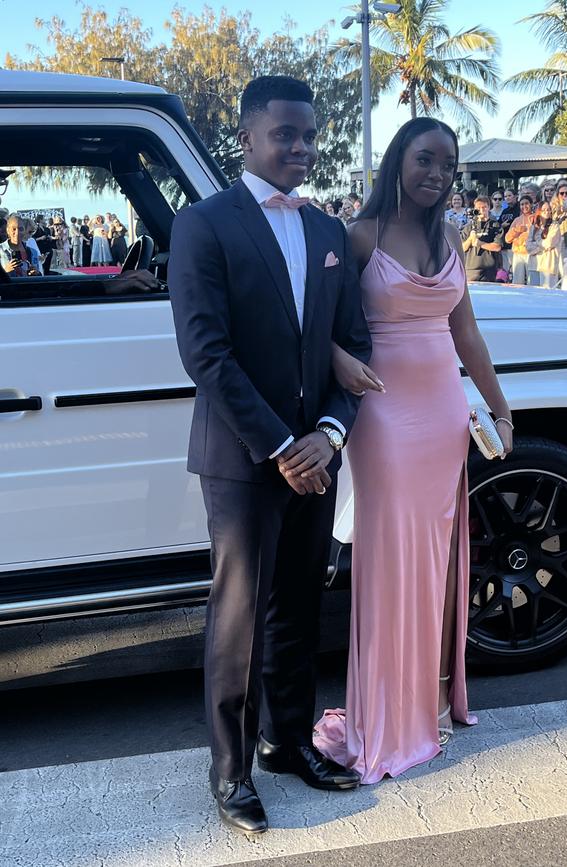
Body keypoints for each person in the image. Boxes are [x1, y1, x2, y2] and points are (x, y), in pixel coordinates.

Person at [168, 75, 371, 834]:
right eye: (286, 134)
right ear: (247, 138)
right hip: (244, 458)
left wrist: (331, 432)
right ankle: (229, 771)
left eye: (310, 135)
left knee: (299, 606)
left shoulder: (326, 231)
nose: (301, 147)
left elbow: (352, 346)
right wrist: (285, 445)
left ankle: (288, 740)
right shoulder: (205, 223)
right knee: (240, 613)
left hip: (318, 453)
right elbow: (207, 354)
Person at [313, 116, 512, 784]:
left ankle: (424, 710)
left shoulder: (449, 236)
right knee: (390, 563)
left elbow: (468, 334)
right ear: (399, 159)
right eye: (425, 159)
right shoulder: (360, 236)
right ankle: (383, 721)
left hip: (443, 415)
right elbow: (319, 325)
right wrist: (340, 359)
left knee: (433, 564)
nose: (436, 172)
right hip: (386, 415)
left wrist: (500, 404)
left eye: (447, 164)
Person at [460, 195, 504, 282]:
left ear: (489, 207)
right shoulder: (468, 227)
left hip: (489, 269)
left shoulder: (495, 225)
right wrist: (470, 239)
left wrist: (480, 243)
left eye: (484, 207)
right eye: (478, 208)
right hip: (471, 269)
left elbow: (497, 247)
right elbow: (461, 248)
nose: (481, 210)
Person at [526, 202, 561, 288]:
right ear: (539, 212)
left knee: (547, 295)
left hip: (547, 264)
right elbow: (528, 245)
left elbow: (549, 243)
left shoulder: (555, 226)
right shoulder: (534, 227)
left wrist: (536, 245)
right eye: (543, 210)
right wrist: (542, 246)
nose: (546, 212)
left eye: (548, 209)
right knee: (533, 293)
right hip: (534, 265)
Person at [506, 196, 536, 284]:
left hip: (531, 254)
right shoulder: (517, 220)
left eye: (526, 203)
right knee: (517, 282)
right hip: (518, 254)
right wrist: (517, 231)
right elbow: (507, 239)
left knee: (532, 281)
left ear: (531, 204)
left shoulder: (536, 218)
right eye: (522, 204)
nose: (524, 206)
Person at [498, 188, 520, 276]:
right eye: (505, 196)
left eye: (509, 195)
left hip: (515, 243)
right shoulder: (504, 211)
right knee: (505, 269)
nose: (507, 198)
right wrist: (501, 226)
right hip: (504, 243)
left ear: (515, 196)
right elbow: (498, 224)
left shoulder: (519, 209)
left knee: (514, 270)